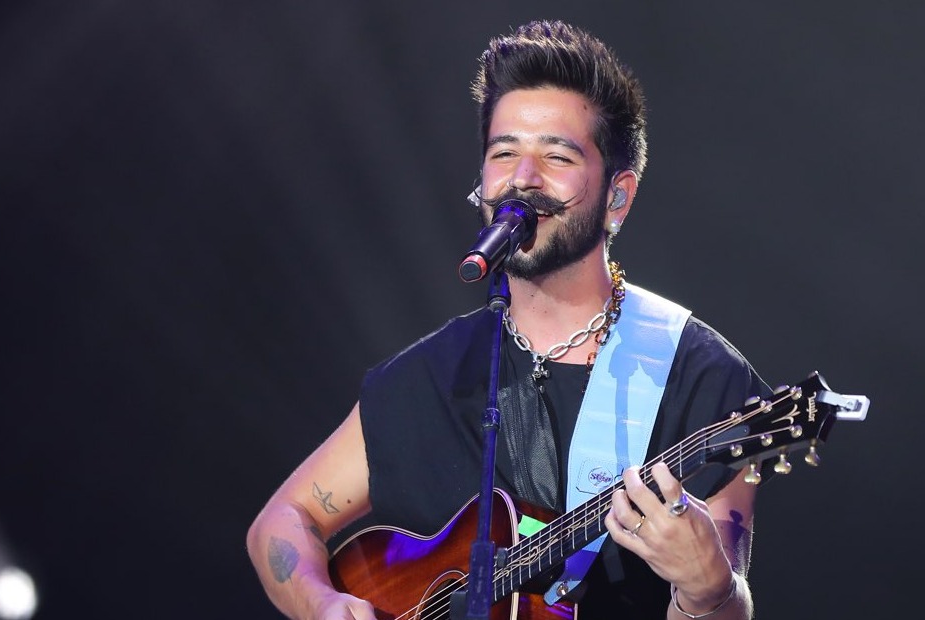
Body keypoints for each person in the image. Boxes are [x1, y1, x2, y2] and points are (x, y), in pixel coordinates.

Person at [247, 19, 770, 620]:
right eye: (504, 153)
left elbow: (727, 607)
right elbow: (280, 521)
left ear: (617, 197)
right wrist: (321, 605)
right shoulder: (429, 378)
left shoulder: (699, 377)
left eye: (556, 155)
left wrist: (709, 590)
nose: (523, 178)